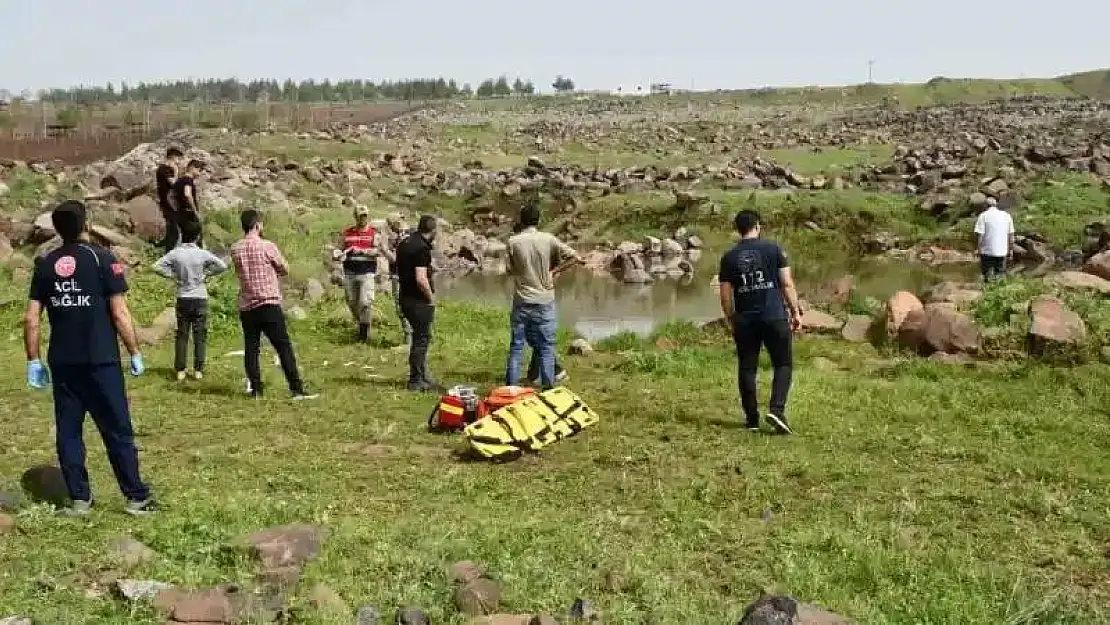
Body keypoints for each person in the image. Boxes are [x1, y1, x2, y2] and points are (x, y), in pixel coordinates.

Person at [23, 200, 158, 517]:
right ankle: (136, 498)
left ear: (57, 229)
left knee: (69, 432)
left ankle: (79, 500)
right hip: (101, 361)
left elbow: (31, 319)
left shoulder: (45, 264)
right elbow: (120, 313)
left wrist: (34, 360)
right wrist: (135, 351)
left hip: (63, 363)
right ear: (86, 225)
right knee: (117, 429)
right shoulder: (102, 260)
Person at [717, 210, 802, 435]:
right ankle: (777, 409)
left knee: (747, 368)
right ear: (758, 226)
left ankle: (752, 419)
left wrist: (731, 319)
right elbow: (786, 283)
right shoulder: (773, 249)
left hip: (745, 320)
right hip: (774, 315)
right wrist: (796, 311)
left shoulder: (729, 257)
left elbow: (725, 295)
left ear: (738, 229)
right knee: (783, 364)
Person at [230, 209, 317, 400]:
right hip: (268, 302)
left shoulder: (235, 248)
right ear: (257, 225)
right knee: (283, 346)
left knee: (251, 349)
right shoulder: (267, 246)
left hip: (247, 305)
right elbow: (284, 268)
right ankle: (296, 388)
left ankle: (256, 390)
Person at [503, 201, 581, 389]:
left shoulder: (513, 242)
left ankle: (510, 389)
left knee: (516, 347)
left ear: (521, 221)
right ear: (538, 220)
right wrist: (554, 272)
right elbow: (575, 257)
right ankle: (548, 388)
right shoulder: (549, 239)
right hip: (545, 300)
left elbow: (509, 270)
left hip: (522, 300)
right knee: (547, 347)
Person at [153, 220, 228, 381]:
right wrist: (207, 273)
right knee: (200, 334)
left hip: (183, 296)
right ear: (198, 236)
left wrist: (172, 275)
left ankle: (180, 370)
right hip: (200, 296)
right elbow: (222, 265)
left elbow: (156, 266)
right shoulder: (202, 253)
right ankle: (198, 369)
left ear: (182, 235)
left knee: (182, 334)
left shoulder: (176, 253)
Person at [395, 215, 442, 392]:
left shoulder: (405, 243)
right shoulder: (421, 248)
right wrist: (430, 298)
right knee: (421, 340)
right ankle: (415, 380)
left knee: (419, 337)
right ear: (433, 230)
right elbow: (421, 279)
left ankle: (423, 375)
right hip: (418, 300)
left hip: (405, 296)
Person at [338, 205, 382, 343]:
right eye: (360, 216)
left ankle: (364, 334)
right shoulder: (347, 233)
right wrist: (338, 254)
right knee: (352, 301)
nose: (362, 219)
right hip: (350, 272)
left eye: (365, 216)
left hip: (367, 272)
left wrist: (363, 251)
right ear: (355, 217)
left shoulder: (374, 233)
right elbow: (339, 248)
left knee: (365, 301)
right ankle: (362, 323)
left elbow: (378, 251)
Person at [381, 213, 414, 349]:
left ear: (395, 223)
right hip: (411, 275)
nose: (390, 229)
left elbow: (395, 259)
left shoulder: (403, 236)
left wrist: (383, 248)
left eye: (390, 225)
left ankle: (409, 341)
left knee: (401, 307)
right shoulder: (412, 234)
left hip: (400, 275)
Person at [974, 197, 1014, 282]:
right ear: (996, 205)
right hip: (1002, 252)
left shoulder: (983, 215)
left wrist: (978, 249)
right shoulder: (1007, 216)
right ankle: (1000, 292)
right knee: (1001, 275)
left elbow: (980, 235)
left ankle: (988, 292)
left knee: (988, 277)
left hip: (987, 252)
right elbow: (1011, 236)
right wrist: (1010, 250)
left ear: (986, 206)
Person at [155, 147, 184, 252]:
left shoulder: (167, 169)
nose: (179, 161)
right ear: (172, 157)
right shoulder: (164, 169)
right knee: (174, 232)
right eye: (178, 158)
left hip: (171, 203)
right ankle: (169, 255)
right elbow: (174, 184)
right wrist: (176, 171)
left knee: (172, 231)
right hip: (168, 203)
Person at [172, 159, 206, 248]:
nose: (199, 173)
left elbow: (172, 197)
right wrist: (195, 212)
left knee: (184, 240)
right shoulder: (188, 180)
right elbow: (187, 194)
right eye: (199, 170)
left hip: (180, 213)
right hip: (189, 214)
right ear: (192, 168)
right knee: (195, 239)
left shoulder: (179, 181)